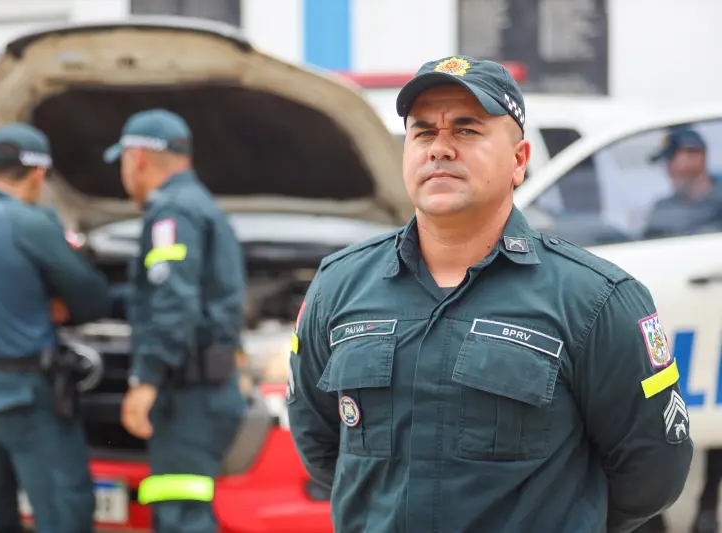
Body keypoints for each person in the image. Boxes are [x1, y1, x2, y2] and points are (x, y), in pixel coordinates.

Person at [286, 55, 694, 533]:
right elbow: (320, 445)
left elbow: (652, 474)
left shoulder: (596, 300)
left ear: (518, 161)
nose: (440, 148)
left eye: (466, 130)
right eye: (422, 132)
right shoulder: (339, 286)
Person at [0, 123, 112, 533]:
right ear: (37, 175)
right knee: (62, 510)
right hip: (25, 399)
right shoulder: (30, 224)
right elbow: (92, 298)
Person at [103, 109, 247, 533]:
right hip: (201, 390)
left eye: (124, 162)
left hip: (189, 396)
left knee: (181, 511)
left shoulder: (172, 213)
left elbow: (174, 303)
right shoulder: (195, 206)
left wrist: (145, 380)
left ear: (138, 160)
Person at [642, 128, 722, 239]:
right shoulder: (662, 208)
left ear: (696, 157)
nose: (668, 169)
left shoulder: (719, 200)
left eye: (671, 158)